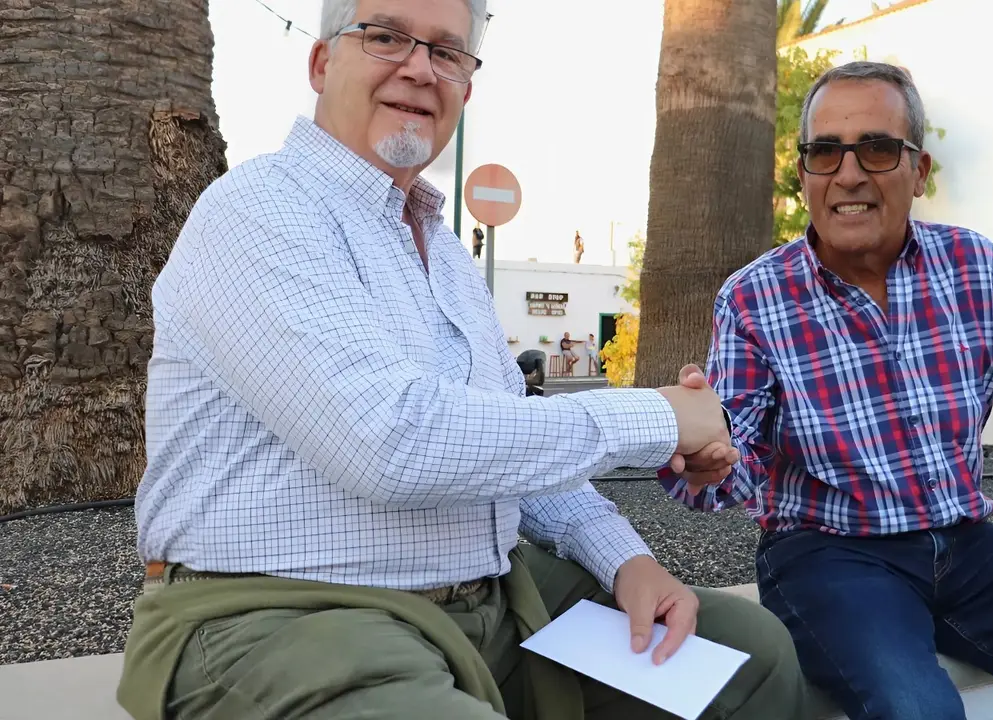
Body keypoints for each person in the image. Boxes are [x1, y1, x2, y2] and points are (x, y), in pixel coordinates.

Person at [114, 1, 812, 718]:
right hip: (282, 616)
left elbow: (507, 444)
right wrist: (663, 417)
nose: (419, 67)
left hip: (487, 603)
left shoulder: (443, 252)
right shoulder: (258, 211)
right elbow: (392, 444)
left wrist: (624, 558)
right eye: (384, 37)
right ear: (322, 64)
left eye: (447, 52)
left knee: (743, 657)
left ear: (465, 87)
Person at [659, 61, 993, 720]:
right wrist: (702, 462)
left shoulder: (977, 269)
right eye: (825, 152)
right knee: (919, 712)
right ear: (805, 173)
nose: (850, 173)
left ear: (918, 172)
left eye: (878, 148)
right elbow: (732, 461)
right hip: (831, 555)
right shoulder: (755, 297)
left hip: (969, 549)